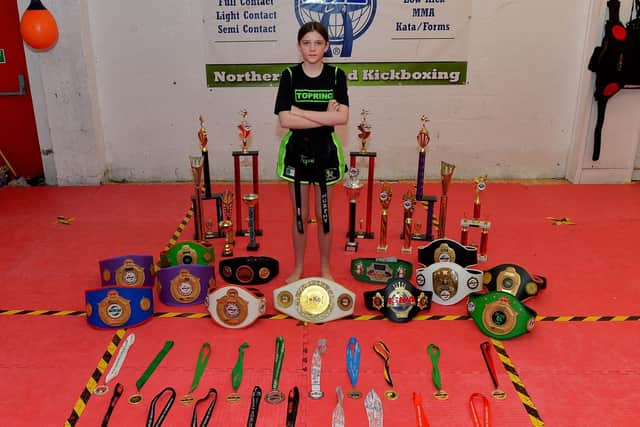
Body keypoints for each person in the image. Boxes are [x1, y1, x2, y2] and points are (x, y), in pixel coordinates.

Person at [274, 21, 350, 283]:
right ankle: (298, 268)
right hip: (297, 151)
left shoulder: (337, 74)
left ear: (327, 45)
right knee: (301, 215)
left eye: (318, 42)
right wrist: (326, 115)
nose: (312, 48)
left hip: (326, 151)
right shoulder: (290, 75)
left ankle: (325, 268)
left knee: (323, 214)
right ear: (299, 46)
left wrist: (301, 112)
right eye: (306, 43)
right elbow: (285, 120)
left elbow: (342, 119)